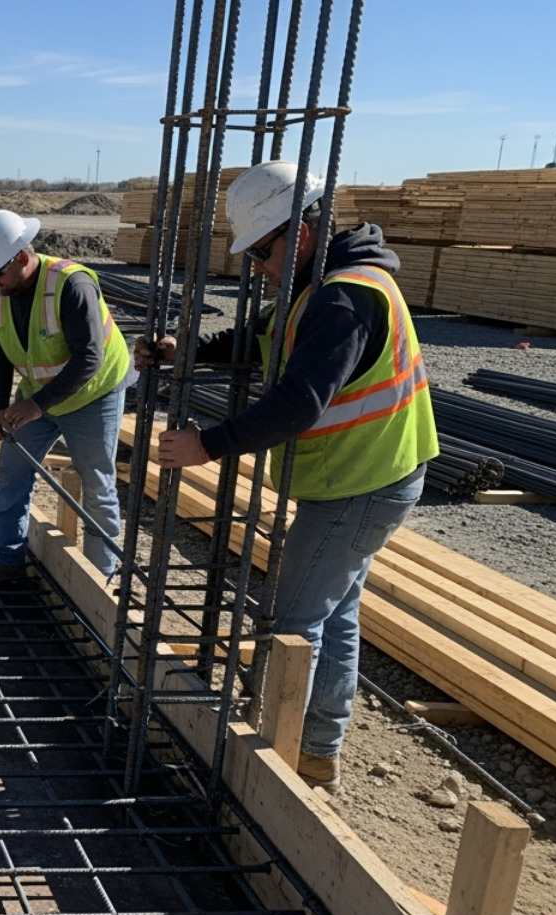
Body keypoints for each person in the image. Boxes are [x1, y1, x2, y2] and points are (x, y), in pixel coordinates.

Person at [137, 160, 438, 794]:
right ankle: (318, 750)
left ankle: (281, 755)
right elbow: (260, 337)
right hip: (360, 478)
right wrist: (185, 350)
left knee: (295, 622)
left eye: (263, 251)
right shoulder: (318, 287)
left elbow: (300, 401)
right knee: (337, 614)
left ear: (298, 233)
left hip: (362, 486)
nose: (258, 267)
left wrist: (207, 445)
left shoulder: (345, 296)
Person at [0, 211, 130, 587]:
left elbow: (89, 358)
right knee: (12, 472)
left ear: (22, 257)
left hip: (92, 394)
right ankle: (5, 559)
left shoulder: (72, 284)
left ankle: (99, 582)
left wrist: (35, 406)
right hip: (38, 396)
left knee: (97, 485)